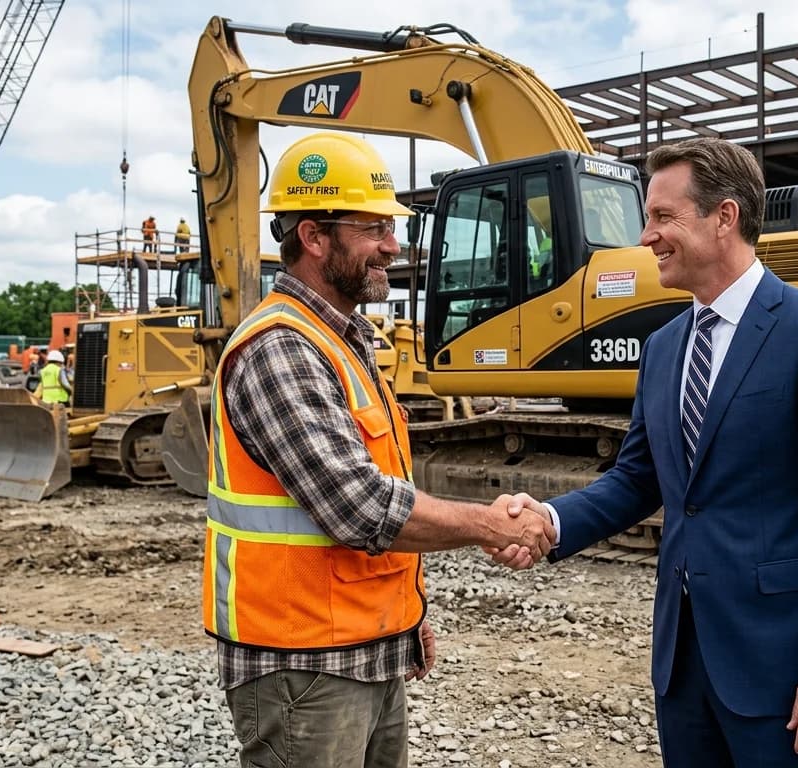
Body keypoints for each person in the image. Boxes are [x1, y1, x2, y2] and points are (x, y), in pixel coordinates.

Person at [496, 138, 798, 766]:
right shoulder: (663, 348)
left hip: (786, 675)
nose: (646, 236)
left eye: (662, 217)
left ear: (725, 217)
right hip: (684, 668)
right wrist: (552, 520)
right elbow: (637, 480)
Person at [206, 131, 554, 768]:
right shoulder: (282, 349)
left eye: (390, 228)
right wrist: (488, 525)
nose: (392, 247)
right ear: (314, 237)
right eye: (373, 229)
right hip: (303, 666)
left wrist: (404, 617)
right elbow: (362, 507)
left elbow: (378, 490)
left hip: (359, 647)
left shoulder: (343, 340)